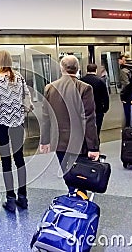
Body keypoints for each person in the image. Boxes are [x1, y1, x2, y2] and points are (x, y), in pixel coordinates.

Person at [40, 55, 100, 192]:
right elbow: (89, 118)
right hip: (79, 142)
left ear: (61, 69)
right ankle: (79, 197)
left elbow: (46, 117)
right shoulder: (85, 88)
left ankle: (73, 194)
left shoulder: (49, 88)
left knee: (67, 172)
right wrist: (93, 146)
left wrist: (45, 141)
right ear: (78, 69)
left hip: (58, 141)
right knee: (80, 174)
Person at [0, 50, 31, 212]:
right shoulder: (19, 77)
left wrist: (0, 116)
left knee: (6, 162)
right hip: (18, 124)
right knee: (19, 160)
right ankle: (23, 197)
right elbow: (26, 98)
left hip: (2, 126)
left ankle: (11, 199)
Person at [81, 64, 109, 138]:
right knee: (97, 129)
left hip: (83, 109)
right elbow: (105, 96)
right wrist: (105, 108)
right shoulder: (100, 81)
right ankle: (95, 145)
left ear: (86, 70)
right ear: (96, 70)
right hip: (98, 109)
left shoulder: (81, 81)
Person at [118, 54, 132, 127]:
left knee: (128, 113)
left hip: (128, 94)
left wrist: (123, 96)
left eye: (120, 59)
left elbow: (126, 84)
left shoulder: (124, 71)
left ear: (124, 61)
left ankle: (130, 130)